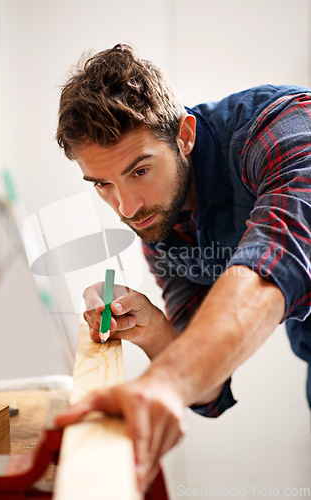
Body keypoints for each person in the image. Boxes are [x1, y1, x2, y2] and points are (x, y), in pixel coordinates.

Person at [54, 43, 311, 492]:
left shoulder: (285, 126)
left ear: (185, 135)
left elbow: (280, 255)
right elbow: (208, 388)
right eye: (103, 185)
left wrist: (167, 382)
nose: (126, 208)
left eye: (139, 171)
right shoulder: (160, 220)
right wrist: (151, 328)